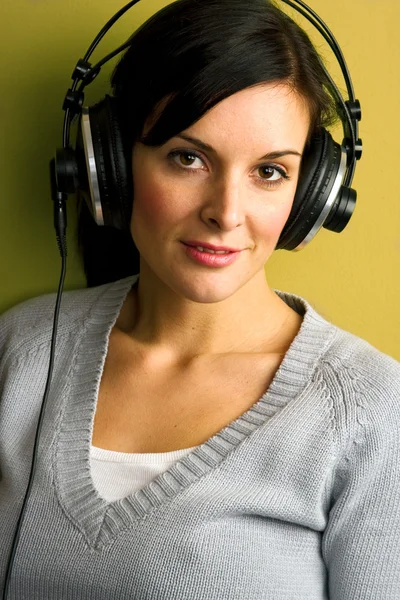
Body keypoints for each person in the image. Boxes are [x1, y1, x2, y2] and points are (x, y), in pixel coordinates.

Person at [1, 0, 399, 598]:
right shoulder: (23, 351)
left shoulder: (370, 413)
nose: (226, 213)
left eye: (270, 172)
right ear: (109, 165)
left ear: (313, 193)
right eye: (188, 158)